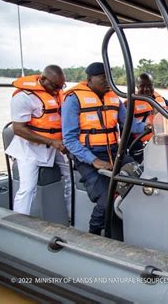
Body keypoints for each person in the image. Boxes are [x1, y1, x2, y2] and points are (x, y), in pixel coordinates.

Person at [62, 62, 146, 235]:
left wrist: (151, 127)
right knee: (106, 197)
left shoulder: (113, 98)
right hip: (88, 155)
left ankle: (127, 227)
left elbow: (129, 124)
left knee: (142, 178)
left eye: (109, 77)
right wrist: (94, 161)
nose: (107, 81)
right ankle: (93, 233)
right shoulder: (73, 100)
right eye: (103, 77)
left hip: (114, 152)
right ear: (89, 79)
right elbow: (69, 140)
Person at [6, 65, 71, 216]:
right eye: (54, 86)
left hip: (56, 146)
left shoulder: (57, 94)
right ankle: (20, 222)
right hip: (29, 150)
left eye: (61, 87)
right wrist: (51, 142)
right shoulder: (23, 97)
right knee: (27, 188)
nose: (57, 91)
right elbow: (19, 129)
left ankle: (70, 217)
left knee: (71, 177)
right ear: (42, 79)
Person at [126, 72, 168, 163]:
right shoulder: (129, 104)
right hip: (141, 147)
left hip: (162, 142)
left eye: (149, 86)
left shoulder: (160, 98)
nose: (146, 89)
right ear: (137, 87)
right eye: (142, 86)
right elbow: (128, 129)